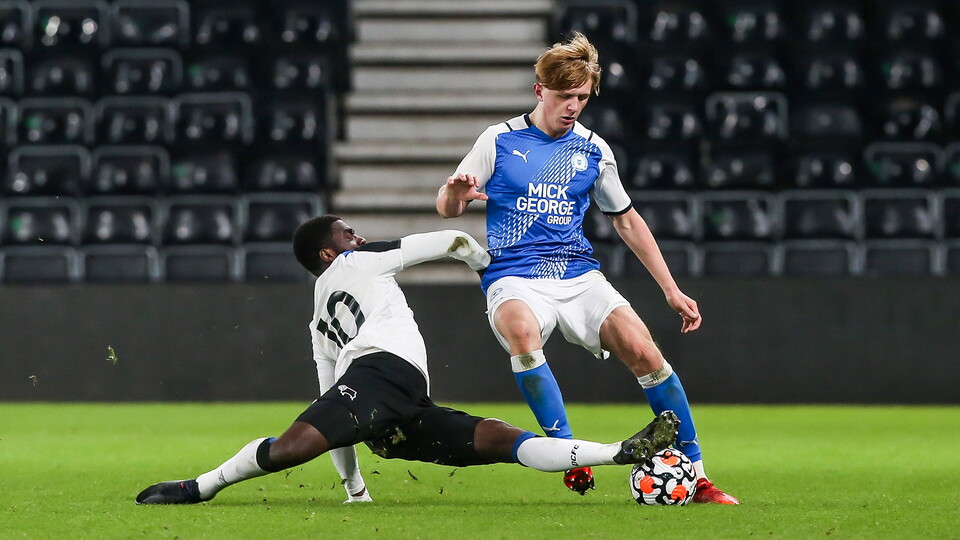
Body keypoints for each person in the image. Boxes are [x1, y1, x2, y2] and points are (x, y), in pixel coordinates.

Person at [135, 215, 680, 505]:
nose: (360, 236)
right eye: (348, 232)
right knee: (293, 446)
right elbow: (449, 238)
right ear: (331, 252)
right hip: (385, 379)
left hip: (390, 398)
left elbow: (328, 399)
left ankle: (617, 452)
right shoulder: (360, 264)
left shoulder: (318, 315)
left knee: (492, 441)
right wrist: (487, 266)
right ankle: (200, 487)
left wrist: (354, 487)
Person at [435, 32, 738, 504]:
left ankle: (697, 477)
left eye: (582, 97)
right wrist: (455, 193)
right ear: (540, 91)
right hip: (514, 275)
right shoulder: (499, 139)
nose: (573, 106)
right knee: (521, 333)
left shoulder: (595, 150)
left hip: (578, 276)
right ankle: (568, 453)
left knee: (644, 351)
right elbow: (447, 208)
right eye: (563, 96)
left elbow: (628, 222)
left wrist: (671, 290)